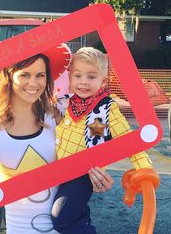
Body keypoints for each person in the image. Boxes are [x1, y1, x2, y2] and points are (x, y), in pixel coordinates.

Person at [0, 44, 113, 234]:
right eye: (25, 75)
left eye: (40, 75)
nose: (33, 83)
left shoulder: (59, 114)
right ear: (9, 77)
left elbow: (96, 141)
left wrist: (99, 173)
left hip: (68, 228)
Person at [51, 47, 158, 234]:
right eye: (78, 76)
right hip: (58, 171)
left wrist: (144, 169)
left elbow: (129, 139)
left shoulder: (106, 108)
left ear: (103, 81)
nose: (83, 82)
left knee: (61, 218)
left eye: (91, 77)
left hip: (84, 174)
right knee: (76, 213)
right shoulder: (65, 103)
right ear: (70, 77)